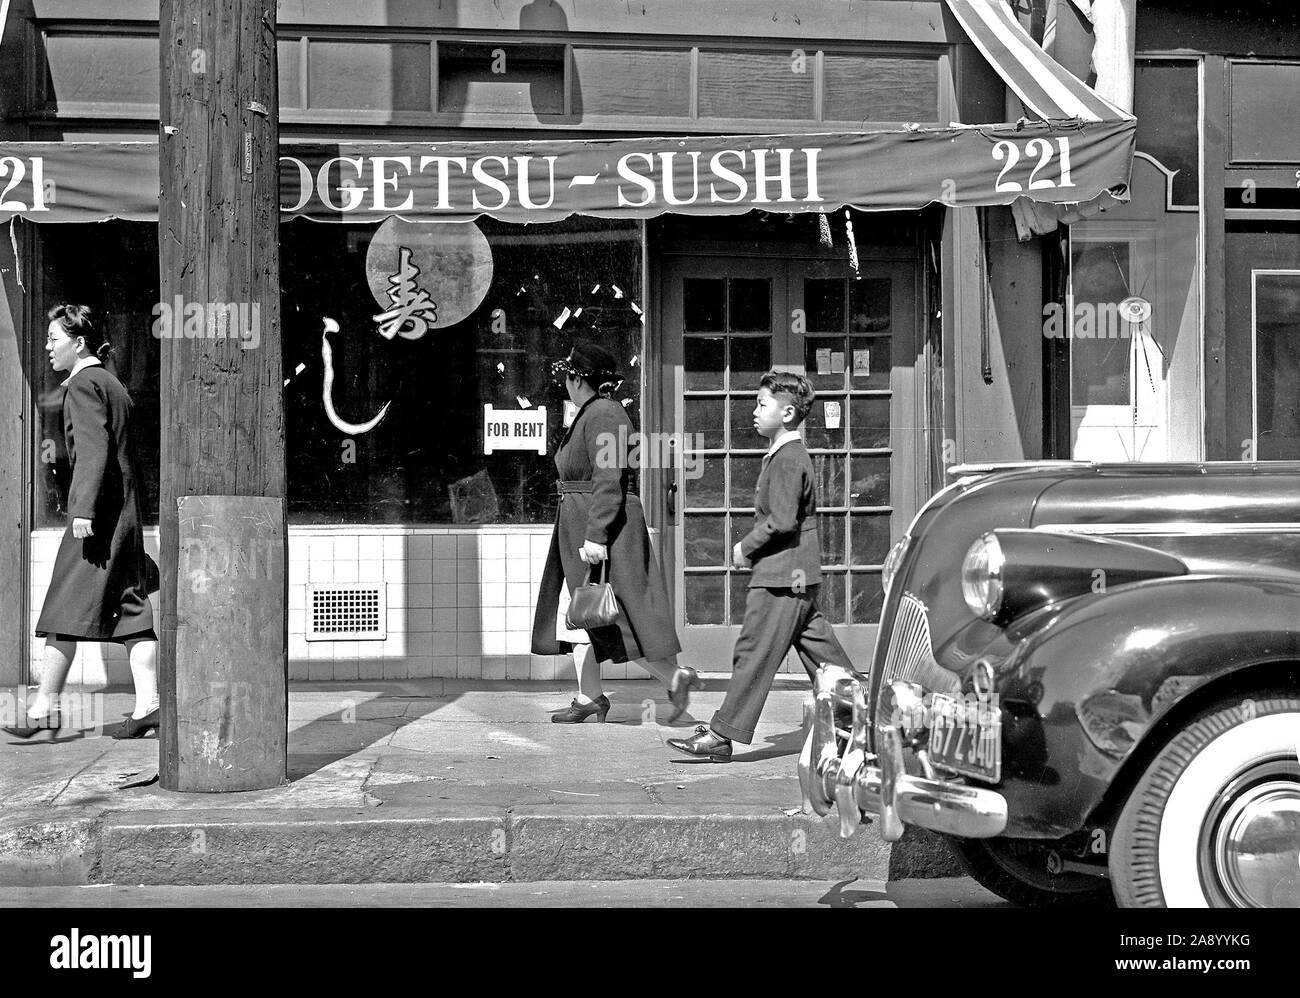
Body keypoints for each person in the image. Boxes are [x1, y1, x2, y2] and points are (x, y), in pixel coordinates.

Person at [668, 370, 855, 762]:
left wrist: (744, 548)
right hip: (793, 576)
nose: (754, 411)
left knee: (753, 652)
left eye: (762, 404)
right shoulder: (787, 454)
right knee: (827, 659)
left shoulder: (788, 458)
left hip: (781, 577)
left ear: (787, 413)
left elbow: (783, 519)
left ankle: (722, 734)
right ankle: (864, 724)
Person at [3, 305, 160, 741]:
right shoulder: (112, 384)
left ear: (79, 342)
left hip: (97, 521)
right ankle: (148, 705)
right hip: (124, 516)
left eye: (55, 338)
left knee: (62, 607)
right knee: (131, 610)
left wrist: (83, 512)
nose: (49, 346)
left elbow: (93, 452)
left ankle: (42, 708)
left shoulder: (84, 385)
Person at [532, 341, 698, 723]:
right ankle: (589, 695)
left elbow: (609, 479)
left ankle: (675, 679)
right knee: (586, 612)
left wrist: (595, 536)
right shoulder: (594, 412)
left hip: (604, 529)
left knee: (617, 616)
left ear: (578, 379)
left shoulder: (604, 414)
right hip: (585, 524)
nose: (565, 383)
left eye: (568, 376)